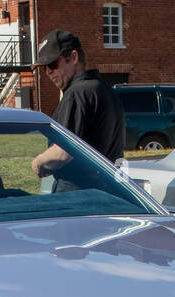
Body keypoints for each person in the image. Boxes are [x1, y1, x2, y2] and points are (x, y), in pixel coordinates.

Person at [29, 29, 125, 188]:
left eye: (53, 64)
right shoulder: (105, 89)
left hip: (76, 192)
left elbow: (62, 152)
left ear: (73, 57)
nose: (48, 72)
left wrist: (38, 162)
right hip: (108, 190)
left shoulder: (77, 94)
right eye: (44, 68)